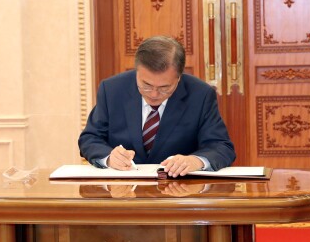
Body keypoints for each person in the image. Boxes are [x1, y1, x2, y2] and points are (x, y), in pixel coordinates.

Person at [78, 36, 235, 177]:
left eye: (164, 88)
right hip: (123, 192)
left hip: (178, 192)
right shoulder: (112, 89)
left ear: (178, 78)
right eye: (146, 85)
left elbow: (221, 147)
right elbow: (90, 138)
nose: (153, 94)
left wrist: (195, 161)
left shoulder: (200, 95)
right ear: (137, 71)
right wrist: (109, 157)